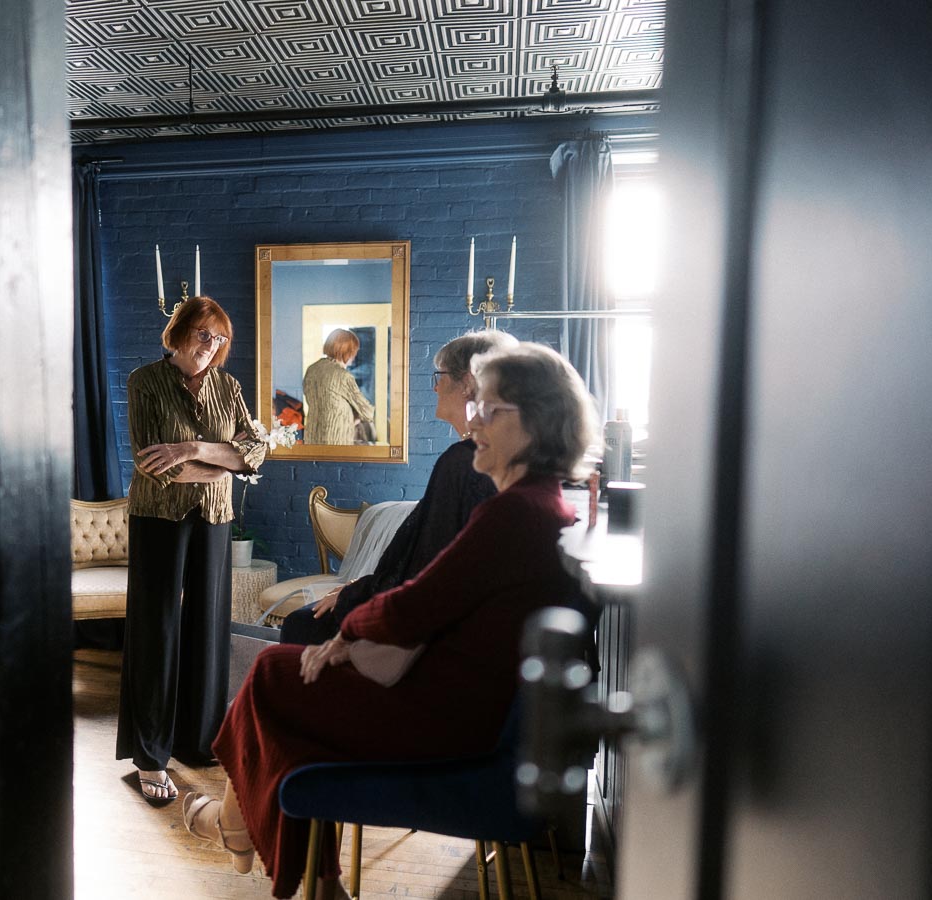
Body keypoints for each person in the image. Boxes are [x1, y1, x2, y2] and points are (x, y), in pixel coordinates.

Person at [182, 343, 598, 898]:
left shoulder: (514, 512)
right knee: (291, 681)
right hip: (473, 708)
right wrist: (354, 634)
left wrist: (348, 635)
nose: (475, 419)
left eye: (490, 408)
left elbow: (419, 601)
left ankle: (246, 834)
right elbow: (430, 596)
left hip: (451, 721)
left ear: (535, 422)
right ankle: (303, 870)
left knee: (274, 674)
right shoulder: (547, 505)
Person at [116, 296, 267, 805]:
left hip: (215, 518)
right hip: (158, 516)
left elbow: (255, 452)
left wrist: (192, 448)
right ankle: (149, 755)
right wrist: (224, 463)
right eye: (204, 334)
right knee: (156, 628)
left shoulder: (229, 386)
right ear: (180, 332)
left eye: (219, 338)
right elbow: (153, 464)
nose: (211, 345)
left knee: (208, 628)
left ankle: (200, 742)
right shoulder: (144, 381)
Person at [278, 329, 519, 647]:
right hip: (463, 611)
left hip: (435, 625)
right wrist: (363, 586)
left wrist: (356, 593)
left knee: (301, 623)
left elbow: (427, 570)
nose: (435, 386)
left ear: (467, 383)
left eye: (440, 376)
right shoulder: (495, 454)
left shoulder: (465, 462)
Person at [301, 328, 374, 445]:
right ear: (347, 351)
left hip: (312, 438)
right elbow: (367, 412)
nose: (355, 355)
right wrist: (355, 416)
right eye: (354, 351)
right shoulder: (343, 376)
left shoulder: (311, 370)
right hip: (336, 442)